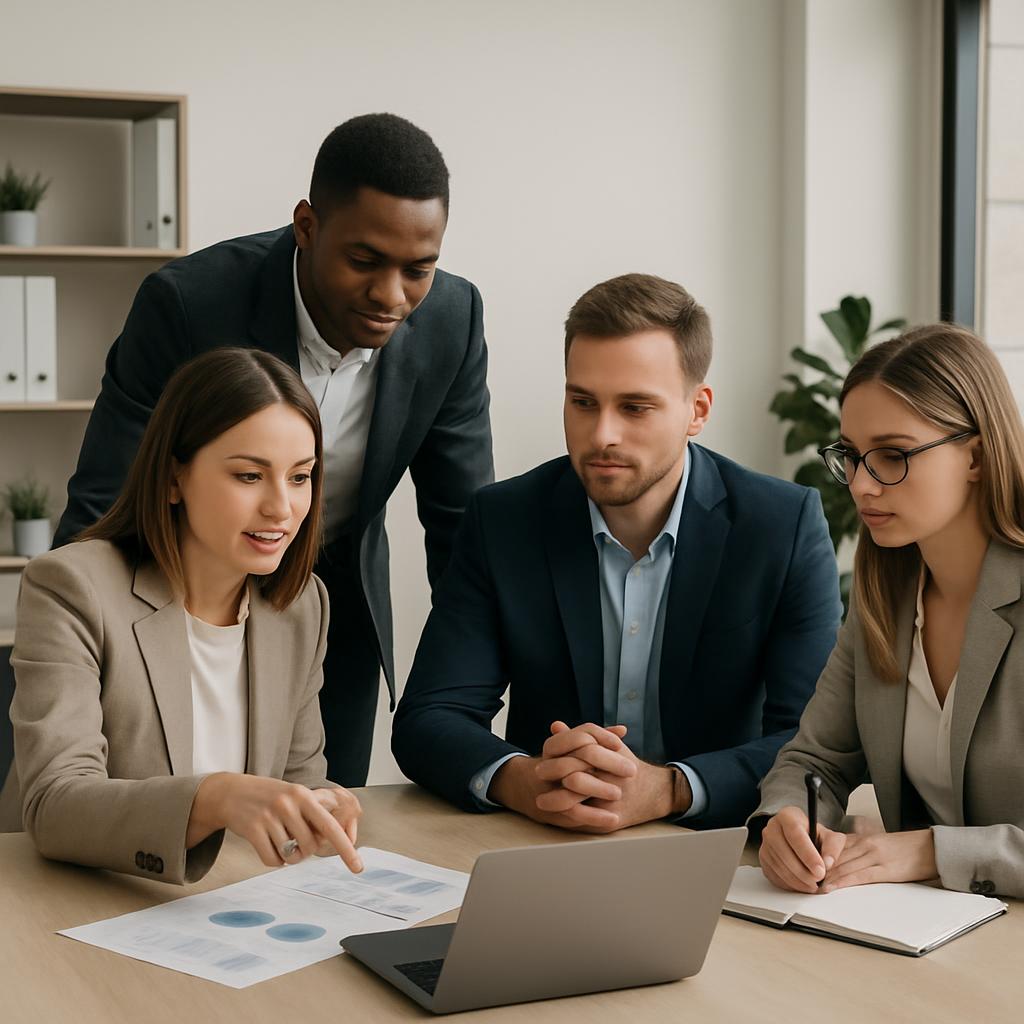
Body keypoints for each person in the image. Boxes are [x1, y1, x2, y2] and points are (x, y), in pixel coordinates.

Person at [52, 113, 494, 787]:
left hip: (327, 607)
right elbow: (106, 499)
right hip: (171, 597)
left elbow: (462, 530)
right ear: (307, 226)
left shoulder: (452, 321)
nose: (391, 295)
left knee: (311, 837)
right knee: (139, 823)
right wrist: (75, 651)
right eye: (365, 262)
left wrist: (460, 724)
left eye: (419, 269)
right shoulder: (187, 305)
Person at [392, 274, 841, 831]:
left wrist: (671, 789)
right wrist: (523, 780)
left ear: (697, 410)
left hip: (715, 849)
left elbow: (818, 746)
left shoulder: (781, 525)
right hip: (546, 843)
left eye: (635, 407)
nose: (602, 433)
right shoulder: (505, 520)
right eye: (583, 402)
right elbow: (428, 718)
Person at [0, 348, 363, 884]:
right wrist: (214, 796)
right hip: (64, 904)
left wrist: (317, 807)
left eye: (300, 477)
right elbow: (54, 804)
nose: (281, 508)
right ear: (174, 478)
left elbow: (298, 779)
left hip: (218, 908)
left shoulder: (301, 604)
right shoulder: (72, 586)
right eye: (248, 476)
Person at [754, 324, 1024, 899]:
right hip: (919, 936)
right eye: (851, 457)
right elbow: (814, 760)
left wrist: (931, 849)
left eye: (893, 456)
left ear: (974, 456)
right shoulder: (886, 600)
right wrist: (788, 821)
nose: (861, 484)